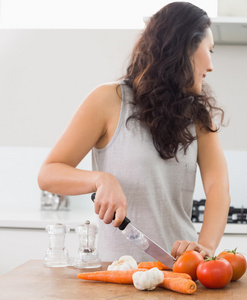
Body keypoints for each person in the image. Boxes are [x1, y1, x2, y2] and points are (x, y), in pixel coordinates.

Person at [38, 2, 230, 262]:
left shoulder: (197, 115)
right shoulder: (108, 99)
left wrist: (205, 246)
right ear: (184, 48)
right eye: (209, 50)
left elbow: (218, 187)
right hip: (116, 269)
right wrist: (100, 179)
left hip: (181, 270)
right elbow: (49, 173)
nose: (211, 65)